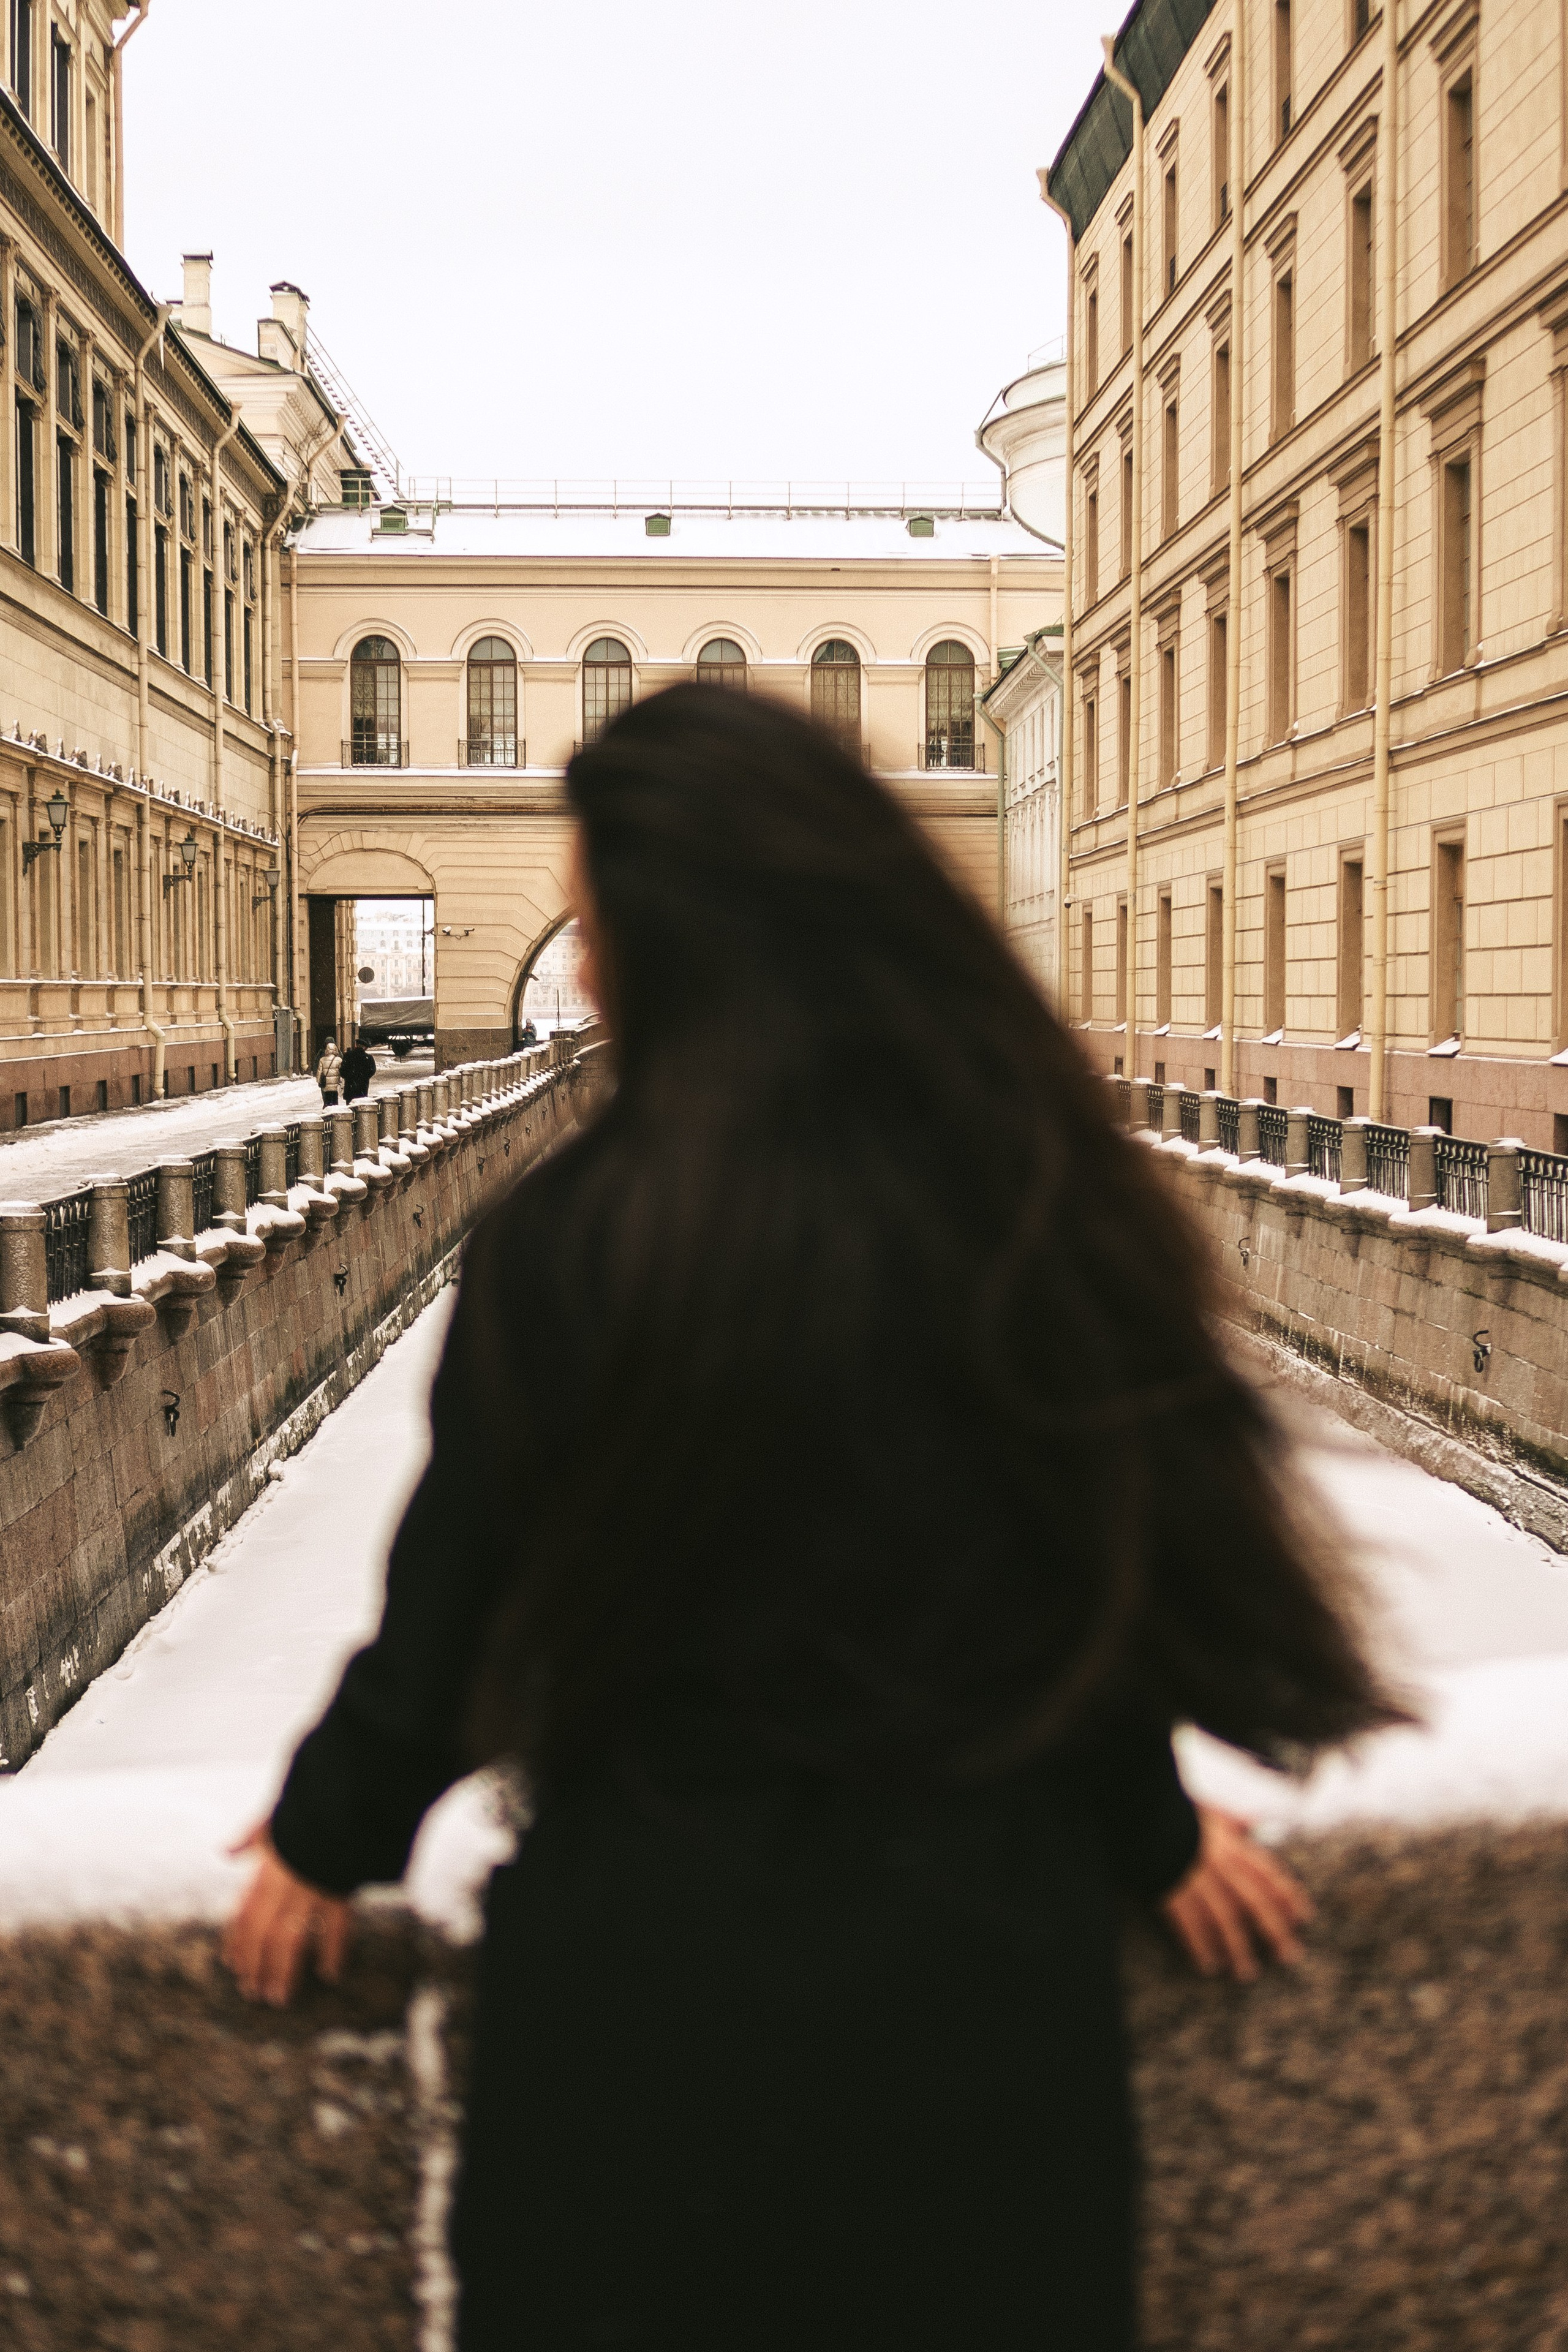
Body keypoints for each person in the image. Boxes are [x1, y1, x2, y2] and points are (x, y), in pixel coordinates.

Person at [226, 685, 1406, 2351]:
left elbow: (459, 1613)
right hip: (983, 2012)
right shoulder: (1016, 1187)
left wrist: (325, 1834)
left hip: (645, 2018)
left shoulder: (578, 1234)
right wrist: (1148, 1828)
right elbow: (1079, 1575)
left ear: (660, 934)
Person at [339, 1036, 377, 1102]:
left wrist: (349, 1076)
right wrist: (365, 1077)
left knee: (350, 1107)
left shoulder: (348, 1056)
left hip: (350, 1087)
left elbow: (342, 1071)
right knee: (361, 1107)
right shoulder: (368, 1058)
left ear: (356, 1045)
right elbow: (372, 1070)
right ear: (365, 1047)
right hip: (362, 1087)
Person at [314, 1035, 342, 1106]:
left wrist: (319, 1079)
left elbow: (317, 1067)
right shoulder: (338, 1055)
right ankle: (335, 1110)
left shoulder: (322, 1054)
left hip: (325, 1081)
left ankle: (327, 1108)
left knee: (326, 1098)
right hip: (335, 1082)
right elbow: (342, 1070)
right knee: (335, 1099)